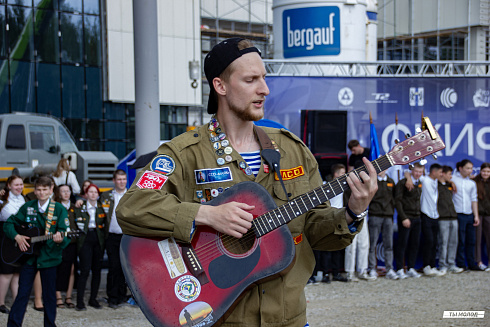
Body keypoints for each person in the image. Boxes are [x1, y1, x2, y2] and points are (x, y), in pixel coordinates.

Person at [116, 37, 378, 327]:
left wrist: (354, 211)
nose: (264, 89)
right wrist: (208, 215)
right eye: (251, 79)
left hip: (287, 319)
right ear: (221, 86)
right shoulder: (183, 154)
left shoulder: (293, 150)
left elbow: (316, 231)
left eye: (264, 78)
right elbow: (132, 206)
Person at [4, 176, 70, 327]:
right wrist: (17, 236)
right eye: (38, 190)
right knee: (23, 293)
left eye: (45, 190)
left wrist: (60, 240)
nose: (41, 193)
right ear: (34, 190)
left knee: (49, 296)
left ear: (51, 190)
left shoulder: (59, 209)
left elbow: (65, 233)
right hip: (29, 258)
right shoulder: (28, 207)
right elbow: (9, 223)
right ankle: (13, 324)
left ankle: (49, 324)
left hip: (49, 257)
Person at [405, 164, 445, 277]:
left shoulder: (436, 181)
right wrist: (408, 178)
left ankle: (432, 266)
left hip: (435, 215)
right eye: (440, 172)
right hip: (425, 214)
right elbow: (407, 173)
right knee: (429, 241)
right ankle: (426, 266)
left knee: (434, 242)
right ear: (433, 172)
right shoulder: (424, 179)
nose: (441, 174)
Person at [74, 183, 108, 311]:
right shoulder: (79, 206)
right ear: (86, 194)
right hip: (85, 238)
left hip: (98, 238)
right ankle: (80, 301)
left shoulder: (102, 208)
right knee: (84, 270)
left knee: (97, 270)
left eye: (96, 192)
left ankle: (93, 299)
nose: (93, 194)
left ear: (98, 195)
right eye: (91, 192)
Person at [100, 170, 128, 308]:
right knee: (113, 266)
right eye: (119, 179)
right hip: (111, 236)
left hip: (127, 237)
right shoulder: (106, 196)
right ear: (114, 181)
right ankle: (112, 297)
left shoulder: (131, 195)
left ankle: (123, 295)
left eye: (124, 179)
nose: (122, 182)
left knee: (125, 267)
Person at [0, 175, 25, 314]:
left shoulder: (24, 198)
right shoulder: (2, 200)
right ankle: (1, 302)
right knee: (6, 272)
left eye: (21, 184)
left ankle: (17, 302)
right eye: (16, 185)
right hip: (5, 237)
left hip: (20, 236)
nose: (20, 187)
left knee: (17, 272)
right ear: (9, 185)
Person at [394, 163, 423, 278]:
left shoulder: (419, 183)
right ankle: (400, 268)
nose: (418, 174)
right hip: (406, 217)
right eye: (416, 171)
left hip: (417, 217)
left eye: (420, 172)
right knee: (402, 243)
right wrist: (403, 217)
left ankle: (411, 267)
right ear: (412, 171)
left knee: (414, 244)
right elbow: (398, 201)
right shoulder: (402, 183)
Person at [367, 170, 398, 280]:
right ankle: (372, 269)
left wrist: (391, 211)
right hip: (375, 215)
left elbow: (394, 198)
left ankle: (389, 269)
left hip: (388, 216)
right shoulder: (372, 181)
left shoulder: (391, 181)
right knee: (372, 244)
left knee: (388, 244)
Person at [452, 159, 480, 271]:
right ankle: (461, 263)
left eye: (471, 168)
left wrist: (476, 215)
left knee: (471, 240)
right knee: (461, 240)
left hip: (469, 214)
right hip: (458, 214)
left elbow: (474, 200)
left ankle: (472, 263)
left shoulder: (472, 183)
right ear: (460, 168)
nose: (470, 171)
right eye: (467, 168)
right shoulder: (453, 179)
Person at [437, 166, 464, 274]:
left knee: (453, 242)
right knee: (443, 242)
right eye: (449, 174)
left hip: (453, 217)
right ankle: (442, 264)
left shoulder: (450, 185)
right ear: (442, 174)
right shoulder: (435, 184)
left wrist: (451, 182)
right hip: (442, 218)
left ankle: (451, 264)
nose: (451, 177)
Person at [55, 185, 78, 308]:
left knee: (72, 269)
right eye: (63, 191)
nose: (66, 193)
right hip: (58, 242)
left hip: (72, 242)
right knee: (57, 268)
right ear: (59, 193)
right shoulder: (55, 207)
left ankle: (68, 297)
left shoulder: (75, 206)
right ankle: (58, 296)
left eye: (68, 191)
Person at [474, 162, 490, 271]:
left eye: (488, 171)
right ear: (480, 171)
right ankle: (479, 262)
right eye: (484, 171)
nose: (486, 173)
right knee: (477, 240)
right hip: (478, 214)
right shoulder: (474, 182)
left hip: (489, 214)